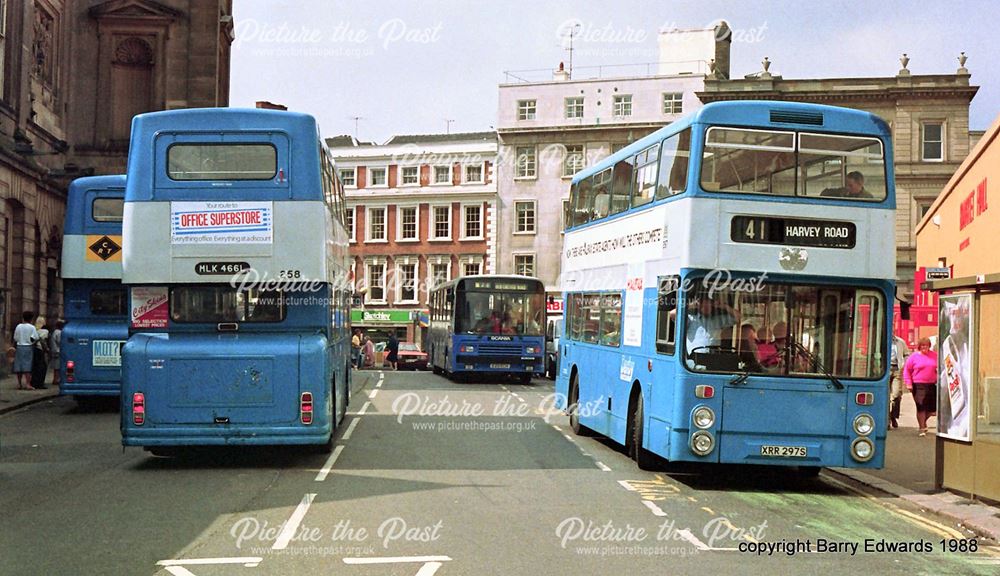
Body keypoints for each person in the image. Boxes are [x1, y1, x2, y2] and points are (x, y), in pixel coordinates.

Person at [939, 298, 971, 439]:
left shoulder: (968, 345)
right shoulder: (948, 345)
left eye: (958, 315)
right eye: (952, 315)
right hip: (955, 412)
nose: (955, 320)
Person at [903, 337, 938, 436]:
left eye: (926, 345)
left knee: (932, 410)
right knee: (921, 406)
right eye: (922, 345)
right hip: (918, 384)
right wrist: (908, 383)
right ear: (919, 346)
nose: (924, 347)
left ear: (929, 346)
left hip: (932, 384)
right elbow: (907, 370)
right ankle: (922, 427)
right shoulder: (913, 357)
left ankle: (923, 422)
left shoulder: (934, 356)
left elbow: (940, 367)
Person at [12, 311, 39, 390]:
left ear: (23, 317)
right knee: (27, 366)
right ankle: (27, 384)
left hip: (19, 346)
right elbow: (36, 337)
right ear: (31, 319)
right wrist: (31, 342)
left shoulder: (18, 326)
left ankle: (19, 383)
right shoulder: (32, 327)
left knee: (19, 365)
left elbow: (15, 338)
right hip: (28, 347)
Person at [888, 333, 910, 429]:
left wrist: (903, 364)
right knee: (885, 396)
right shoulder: (882, 340)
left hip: (897, 369)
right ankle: (887, 419)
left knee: (897, 395)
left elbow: (906, 354)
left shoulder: (900, 342)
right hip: (885, 370)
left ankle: (893, 416)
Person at [31, 317, 50, 389]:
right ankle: (40, 383)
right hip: (41, 350)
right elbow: (44, 341)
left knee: (35, 367)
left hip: (35, 349)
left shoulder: (35, 330)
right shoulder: (45, 331)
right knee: (43, 367)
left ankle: (34, 382)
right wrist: (47, 349)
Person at [50, 320, 64, 387]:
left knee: (56, 366)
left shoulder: (54, 332)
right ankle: (56, 379)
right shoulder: (59, 333)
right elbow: (60, 341)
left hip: (54, 350)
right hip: (58, 351)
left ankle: (55, 379)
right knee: (58, 366)